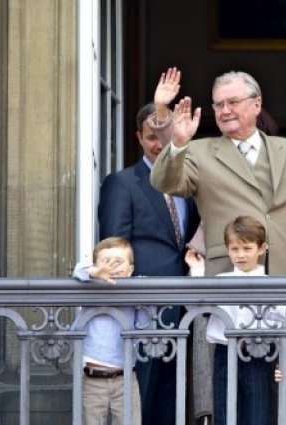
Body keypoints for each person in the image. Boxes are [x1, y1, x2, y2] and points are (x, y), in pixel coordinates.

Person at [149, 67, 286, 277]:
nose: (225, 111)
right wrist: (178, 143)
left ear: (257, 104)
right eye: (218, 104)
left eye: (233, 102)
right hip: (228, 277)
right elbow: (165, 183)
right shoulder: (198, 152)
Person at [98, 103, 200, 425]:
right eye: (150, 137)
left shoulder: (188, 184)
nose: (158, 144)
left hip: (185, 306)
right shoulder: (123, 182)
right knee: (143, 395)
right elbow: (114, 247)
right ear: (139, 139)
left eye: (164, 136)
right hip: (143, 310)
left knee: (174, 396)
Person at [185, 215, 286, 425]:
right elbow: (196, 306)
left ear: (261, 248)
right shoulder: (220, 282)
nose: (240, 255)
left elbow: (277, 324)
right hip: (224, 352)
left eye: (247, 248)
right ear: (227, 249)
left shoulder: (274, 284)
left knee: (257, 413)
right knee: (224, 412)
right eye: (234, 249)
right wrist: (196, 271)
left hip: (258, 353)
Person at [72, 237, 143, 425]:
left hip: (125, 379)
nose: (111, 267)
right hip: (92, 380)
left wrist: (144, 298)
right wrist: (94, 272)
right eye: (105, 262)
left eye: (118, 262)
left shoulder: (133, 292)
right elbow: (79, 269)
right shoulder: (90, 288)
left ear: (130, 270)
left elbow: (144, 329)